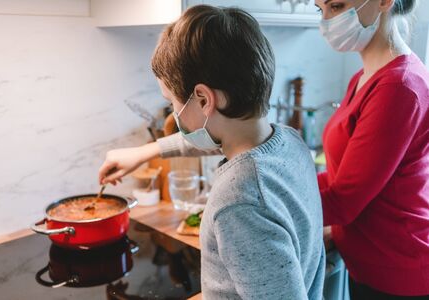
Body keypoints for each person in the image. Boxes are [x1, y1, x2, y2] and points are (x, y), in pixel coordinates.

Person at [99, 5, 325, 299]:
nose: (174, 113)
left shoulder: (240, 201)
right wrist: (146, 152)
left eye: (172, 102)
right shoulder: (288, 140)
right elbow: (210, 138)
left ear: (204, 99)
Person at [315, 0, 429, 298]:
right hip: (368, 264)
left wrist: (267, 202)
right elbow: (340, 176)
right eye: (320, 9)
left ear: (384, 2)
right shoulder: (364, 77)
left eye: (336, 6)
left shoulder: (399, 86)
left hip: (398, 273)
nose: (326, 21)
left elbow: (344, 201)